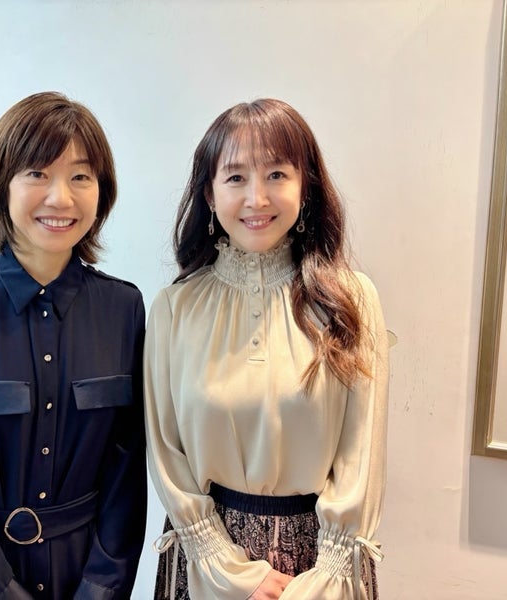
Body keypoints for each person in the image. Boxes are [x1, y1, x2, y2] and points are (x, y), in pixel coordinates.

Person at [0, 91, 146, 600]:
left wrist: (100, 590)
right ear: (2, 184)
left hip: (85, 583)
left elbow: (126, 475)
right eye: (37, 173)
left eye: (80, 177)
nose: (61, 198)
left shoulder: (123, 308)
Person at [144, 98, 389, 600]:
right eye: (235, 178)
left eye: (276, 174)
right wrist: (226, 569)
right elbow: (166, 452)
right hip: (208, 561)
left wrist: (323, 580)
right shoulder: (174, 308)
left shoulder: (352, 300)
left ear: (305, 185)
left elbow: (361, 454)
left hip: (323, 564)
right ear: (210, 194)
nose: (257, 198)